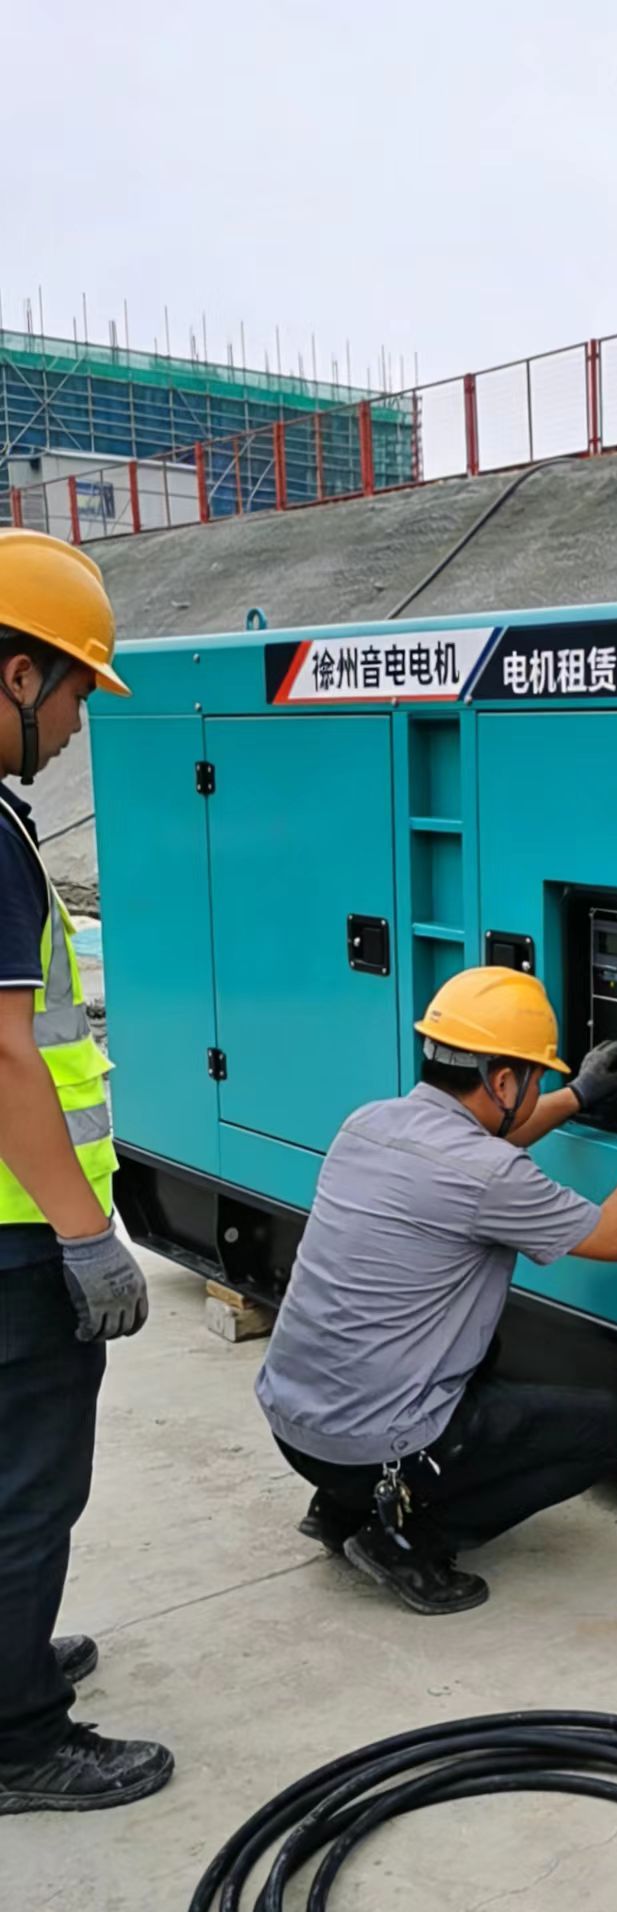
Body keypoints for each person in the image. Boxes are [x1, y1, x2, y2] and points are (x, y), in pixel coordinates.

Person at [256, 965, 617, 1613]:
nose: (537, 1086)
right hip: (365, 1447)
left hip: (295, 1428)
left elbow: (473, 1148)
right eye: (535, 1076)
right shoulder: (490, 1174)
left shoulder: (368, 1124)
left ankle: (340, 1509)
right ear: (504, 1079)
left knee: (473, 1344)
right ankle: (406, 1538)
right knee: (603, 1427)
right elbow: (615, 1234)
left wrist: (575, 1096)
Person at [0, 531, 170, 1816]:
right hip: (12, 1243)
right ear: (17, 677)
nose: (70, 730)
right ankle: (19, 1738)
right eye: (69, 695)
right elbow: (8, 1054)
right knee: (28, 1489)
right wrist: (83, 1232)